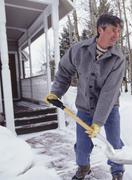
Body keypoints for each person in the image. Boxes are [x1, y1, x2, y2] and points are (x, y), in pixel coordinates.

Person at [45, 14, 125, 180]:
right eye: (113, 30)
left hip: (109, 107)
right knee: (82, 144)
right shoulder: (79, 50)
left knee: (114, 142)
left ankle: (117, 171)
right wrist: (56, 92)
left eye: (119, 31)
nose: (116, 35)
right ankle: (84, 168)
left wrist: (98, 122)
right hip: (85, 106)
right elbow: (64, 71)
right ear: (100, 30)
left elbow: (109, 92)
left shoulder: (118, 58)